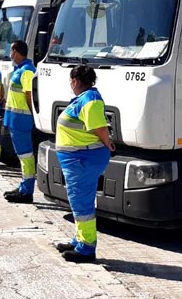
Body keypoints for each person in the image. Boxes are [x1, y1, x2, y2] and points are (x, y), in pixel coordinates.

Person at [54, 65, 114, 263]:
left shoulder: (90, 100)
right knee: (78, 201)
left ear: (76, 81)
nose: (70, 84)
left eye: (71, 80)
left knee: (82, 202)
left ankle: (87, 249)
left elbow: (99, 127)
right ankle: (79, 240)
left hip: (83, 159)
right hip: (78, 159)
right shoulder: (84, 99)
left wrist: (108, 143)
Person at [3, 40, 37, 204]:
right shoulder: (20, 70)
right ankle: (24, 186)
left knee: (26, 156)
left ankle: (27, 191)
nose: (10, 55)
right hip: (15, 120)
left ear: (16, 51)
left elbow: (29, 96)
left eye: (11, 51)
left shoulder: (27, 71)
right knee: (22, 156)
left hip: (22, 120)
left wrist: (34, 118)